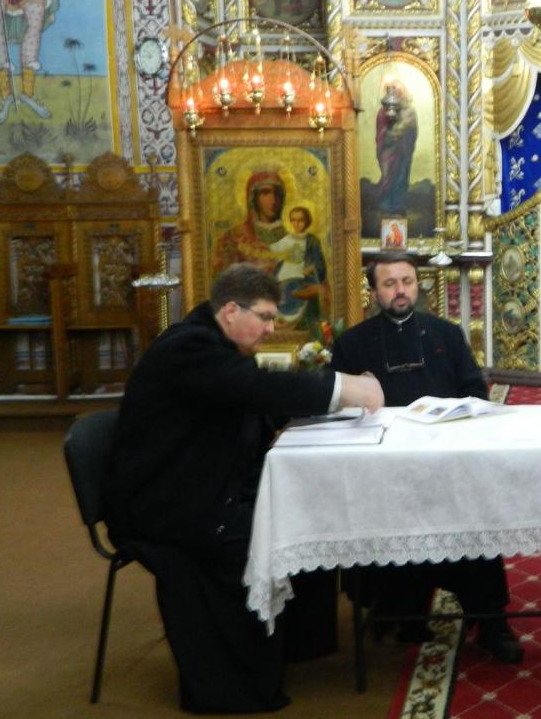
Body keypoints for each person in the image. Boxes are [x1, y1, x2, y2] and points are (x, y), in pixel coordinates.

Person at [107, 264, 385, 713]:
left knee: (303, 512)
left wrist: (321, 406)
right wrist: (343, 387)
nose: (272, 328)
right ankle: (242, 683)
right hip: (167, 503)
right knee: (272, 531)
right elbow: (253, 388)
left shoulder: (213, 344)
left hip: (199, 482)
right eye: (266, 317)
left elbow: (248, 403)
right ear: (232, 311)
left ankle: (297, 646)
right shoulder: (188, 348)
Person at [329, 252, 523, 663]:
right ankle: (401, 614)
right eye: (389, 284)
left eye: (407, 281)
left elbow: (476, 392)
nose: (400, 291)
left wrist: (458, 414)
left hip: (447, 464)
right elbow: (341, 408)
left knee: (474, 523)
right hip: (384, 470)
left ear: (418, 285)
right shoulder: (352, 343)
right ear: (374, 291)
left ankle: (491, 621)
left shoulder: (446, 334)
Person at [214, 170, 288, 275]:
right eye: (265, 193)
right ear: (253, 198)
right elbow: (224, 278)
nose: (273, 200)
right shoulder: (233, 238)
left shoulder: (295, 237)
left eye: (278, 193)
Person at [268, 205, 326, 329]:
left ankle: (299, 324)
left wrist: (311, 268)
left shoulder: (312, 241)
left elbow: (319, 263)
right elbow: (272, 253)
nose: (297, 224)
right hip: (284, 275)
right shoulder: (286, 239)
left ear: (307, 221)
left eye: (300, 220)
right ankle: (281, 321)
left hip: (303, 277)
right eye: (293, 220)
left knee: (296, 292)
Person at [373, 79, 418, 213]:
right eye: (392, 91)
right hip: (388, 149)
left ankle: (396, 201)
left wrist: (401, 130)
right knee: (388, 174)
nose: (395, 95)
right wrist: (388, 133)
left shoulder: (409, 111)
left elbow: (412, 131)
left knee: (401, 173)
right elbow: (381, 132)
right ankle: (386, 201)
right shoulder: (382, 112)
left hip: (402, 149)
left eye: (398, 92)